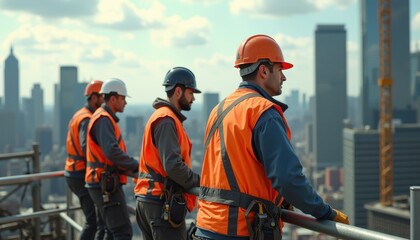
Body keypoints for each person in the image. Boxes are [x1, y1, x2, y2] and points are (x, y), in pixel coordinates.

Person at [194, 34, 349, 240]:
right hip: (240, 230)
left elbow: (237, 167)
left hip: (206, 226)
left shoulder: (219, 110)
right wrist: (326, 213)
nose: (283, 77)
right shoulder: (263, 112)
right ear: (264, 70)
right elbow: (288, 178)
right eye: (280, 69)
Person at [134, 67, 201, 240]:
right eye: (191, 92)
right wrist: (201, 181)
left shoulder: (164, 117)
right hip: (160, 202)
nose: (193, 98)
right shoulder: (166, 120)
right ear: (178, 91)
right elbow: (173, 166)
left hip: (150, 200)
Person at [85, 78, 139, 240]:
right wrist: (136, 165)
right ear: (113, 98)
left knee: (110, 230)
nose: (125, 103)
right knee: (122, 231)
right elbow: (112, 152)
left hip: (102, 181)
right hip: (104, 183)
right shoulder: (103, 120)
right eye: (123, 99)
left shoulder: (102, 118)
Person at [64, 80, 108, 240]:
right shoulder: (87, 119)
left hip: (73, 172)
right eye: (102, 97)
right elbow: (85, 147)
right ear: (94, 97)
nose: (104, 101)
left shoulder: (80, 114)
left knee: (94, 221)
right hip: (80, 173)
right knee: (93, 222)